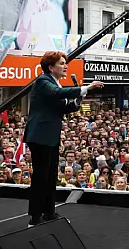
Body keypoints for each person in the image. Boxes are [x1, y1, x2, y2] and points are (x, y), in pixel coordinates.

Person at [25, 51, 103, 227]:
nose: (66, 66)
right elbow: (57, 93)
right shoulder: (44, 81)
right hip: (40, 136)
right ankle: (35, 217)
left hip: (50, 136)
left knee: (51, 176)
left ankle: (49, 212)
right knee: (41, 177)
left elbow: (64, 107)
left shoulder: (54, 83)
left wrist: (78, 100)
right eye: (61, 63)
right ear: (51, 67)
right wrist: (85, 88)